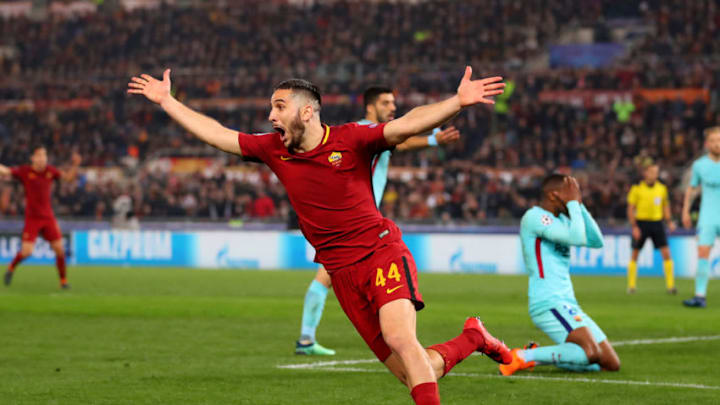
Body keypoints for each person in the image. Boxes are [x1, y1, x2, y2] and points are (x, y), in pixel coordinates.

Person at [128, 67, 510, 405]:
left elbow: (408, 124)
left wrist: (457, 102)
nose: (270, 115)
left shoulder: (352, 139)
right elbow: (218, 134)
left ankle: (470, 341)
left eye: (279, 107)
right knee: (415, 369)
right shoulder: (273, 149)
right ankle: (473, 338)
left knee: (400, 339)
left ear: (306, 111)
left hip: (380, 253)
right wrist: (167, 101)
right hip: (341, 274)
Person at [295, 86, 460, 356]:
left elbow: (400, 141)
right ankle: (306, 339)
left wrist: (433, 140)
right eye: (386, 103)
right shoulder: (363, 131)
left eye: (394, 102)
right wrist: (433, 140)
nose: (392, 108)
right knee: (326, 277)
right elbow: (402, 138)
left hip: (354, 223)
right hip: (350, 224)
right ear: (371, 106)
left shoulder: (369, 134)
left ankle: (309, 338)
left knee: (328, 277)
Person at [500, 174, 620, 376]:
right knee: (590, 353)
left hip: (568, 303)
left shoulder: (563, 219)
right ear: (553, 195)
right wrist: (573, 204)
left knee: (610, 363)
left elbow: (597, 241)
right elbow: (577, 238)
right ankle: (521, 356)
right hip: (548, 301)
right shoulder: (534, 217)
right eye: (570, 193)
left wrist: (578, 206)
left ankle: (537, 355)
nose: (575, 197)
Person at [0, 146, 81, 289]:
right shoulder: (25, 171)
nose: (43, 158)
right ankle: (11, 268)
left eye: (45, 155)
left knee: (59, 249)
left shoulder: (50, 171)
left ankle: (63, 281)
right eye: (39, 155)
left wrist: (75, 165)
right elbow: (6, 170)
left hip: (48, 217)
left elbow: (68, 178)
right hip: (32, 218)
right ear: (33, 158)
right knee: (27, 251)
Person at [681, 127, 720, 308]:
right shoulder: (699, 165)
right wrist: (685, 211)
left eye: (719, 140)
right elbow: (691, 188)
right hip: (708, 216)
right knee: (703, 253)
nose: (717, 144)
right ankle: (700, 296)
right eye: (713, 140)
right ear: (707, 144)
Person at [626, 160, 676, 294]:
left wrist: (669, 221)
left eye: (656, 172)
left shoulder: (662, 188)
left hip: (657, 223)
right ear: (645, 173)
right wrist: (634, 226)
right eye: (652, 172)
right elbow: (631, 209)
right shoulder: (637, 188)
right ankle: (631, 286)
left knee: (666, 253)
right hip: (641, 223)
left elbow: (665, 206)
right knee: (635, 254)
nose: (655, 174)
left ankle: (671, 286)